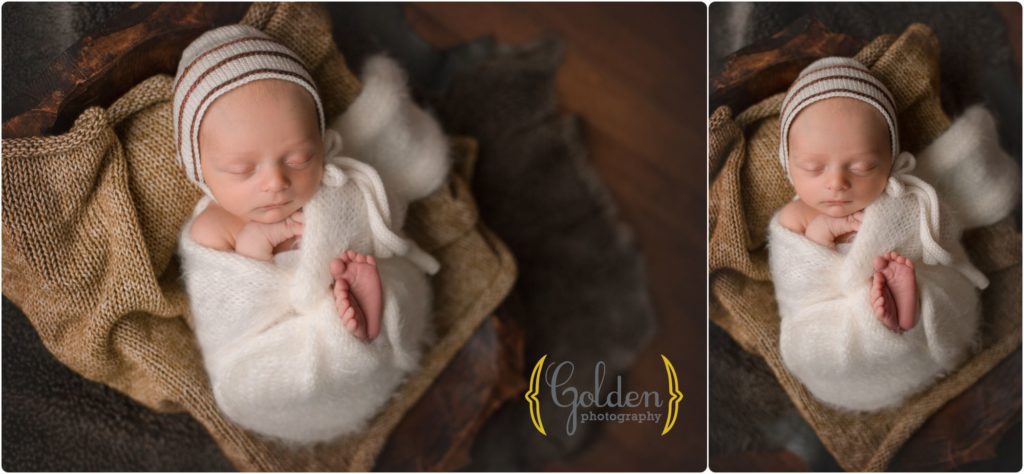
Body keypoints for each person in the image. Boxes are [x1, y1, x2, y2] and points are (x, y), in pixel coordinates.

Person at [173, 24, 448, 443]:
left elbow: (380, 219)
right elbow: (228, 316)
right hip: (269, 338)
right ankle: (350, 336)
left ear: (322, 143)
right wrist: (256, 243)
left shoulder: (333, 182)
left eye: (300, 158)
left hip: (349, 289)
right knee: (257, 383)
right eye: (243, 170)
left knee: (395, 283)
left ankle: (361, 326)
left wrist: (341, 218)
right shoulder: (212, 228)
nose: (275, 182)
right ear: (197, 167)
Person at [767, 56, 991, 411]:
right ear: (788, 165)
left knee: (941, 288)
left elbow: (942, 240)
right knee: (811, 346)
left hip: (914, 295)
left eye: (862, 166)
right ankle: (886, 320)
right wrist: (820, 237)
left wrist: (915, 247)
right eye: (814, 167)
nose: (837, 183)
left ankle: (907, 309)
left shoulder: (904, 199)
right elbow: (796, 288)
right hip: (833, 314)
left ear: (890, 160)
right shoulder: (795, 218)